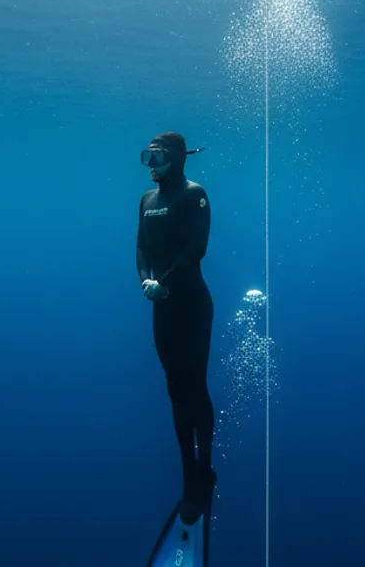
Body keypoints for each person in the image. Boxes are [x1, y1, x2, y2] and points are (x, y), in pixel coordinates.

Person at [136, 132, 218, 544]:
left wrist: (163, 284)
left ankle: (204, 470)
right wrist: (147, 281)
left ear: (178, 158)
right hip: (162, 309)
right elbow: (140, 250)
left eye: (158, 155)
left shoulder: (194, 194)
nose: (151, 162)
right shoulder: (146, 201)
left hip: (190, 307)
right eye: (146, 155)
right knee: (174, 390)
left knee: (194, 386)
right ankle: (189, 477)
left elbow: (196, 250)